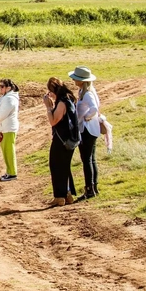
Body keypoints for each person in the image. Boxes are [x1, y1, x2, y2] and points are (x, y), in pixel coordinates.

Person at [44, 77, 79, 207]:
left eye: (50, 92)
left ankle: (60, 196)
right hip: (70, 139)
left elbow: (53, 121)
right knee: (64, 167)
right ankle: (67, 194)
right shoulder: (69, 98)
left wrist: (48, 107)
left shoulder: (62, 102)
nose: (50, 95)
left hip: (61, 140)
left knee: (56, 165)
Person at [70, 67, 101, 199]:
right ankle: (93, 187)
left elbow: (94, 108)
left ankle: (89, 189)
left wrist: (86, 117)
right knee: (91, 159)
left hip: (87, 130)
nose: (73, 80)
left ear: (81, 81)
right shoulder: (85, 91)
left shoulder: (87, 94)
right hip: (91, 129)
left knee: (86, 159)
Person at [0, 78, 20, 181]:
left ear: (8, 88)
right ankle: (9, 171)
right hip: (4, 127)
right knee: (6, 151)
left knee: (9, 151)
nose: (0, 88)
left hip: (7, 127)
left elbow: (3, 113)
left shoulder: (9, 99)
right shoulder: (6, 97)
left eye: (2, 86)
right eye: (0, 86)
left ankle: (12, 173)